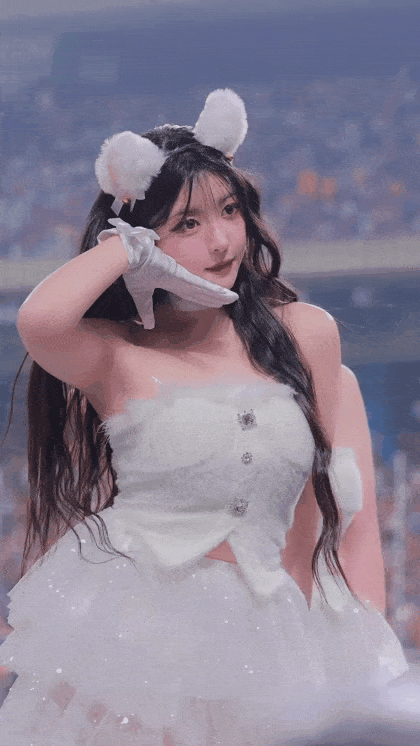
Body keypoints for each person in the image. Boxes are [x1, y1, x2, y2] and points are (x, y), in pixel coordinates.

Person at [0, 88, 419, 746]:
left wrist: (305, 627)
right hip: (138, 626)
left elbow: (311, 507)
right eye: (187, 224)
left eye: (230, 210)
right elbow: (41, 320)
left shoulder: (305, 333)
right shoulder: (117, 354)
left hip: (271, 619)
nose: (222, 240)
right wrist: (127, 247)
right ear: (144, 235)